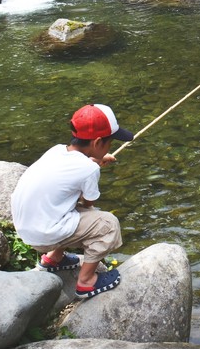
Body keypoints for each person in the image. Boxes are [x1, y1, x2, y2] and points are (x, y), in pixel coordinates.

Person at [11, 103, 134, 299]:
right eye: (110, 143)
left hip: (26, 226)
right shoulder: (89, 169)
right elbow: (88, 204)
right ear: (98, 142)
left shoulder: (57, 151)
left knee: (68, 206)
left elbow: (73, 173)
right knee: (107, 224)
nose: (110, 147)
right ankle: (86, 281)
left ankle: (54, 259)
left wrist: (93, 162)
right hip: (43, 234)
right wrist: (94, 168)